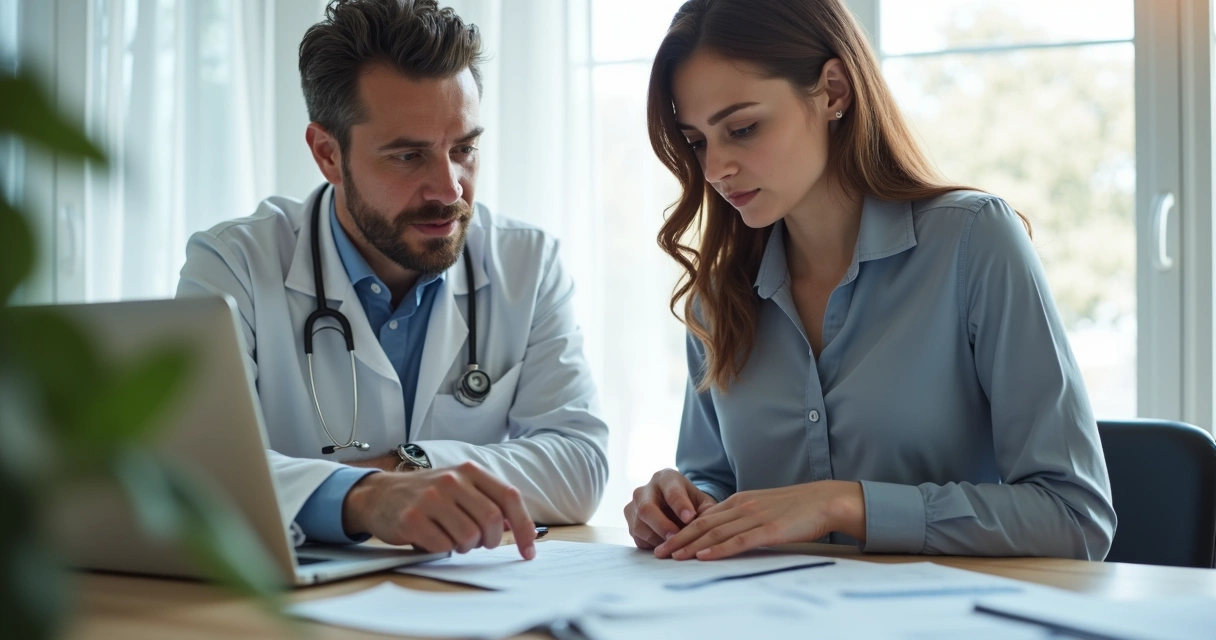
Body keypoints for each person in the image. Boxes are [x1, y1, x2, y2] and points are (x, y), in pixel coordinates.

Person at [624, 0, 1115, 561]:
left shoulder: (974, 242)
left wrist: (841, 505)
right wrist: (682, 505)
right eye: (697, 141)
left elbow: (1076, 517)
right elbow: (714, 479)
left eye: (742, 128)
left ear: (833, 90)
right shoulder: (718, 296)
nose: (714, 169)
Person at [177, 0, 608, 559]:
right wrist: (367, 499)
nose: (449, 189)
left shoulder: (527, 261)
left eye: (465, 149)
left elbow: (579, 464)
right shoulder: (233, 264)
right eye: (409, 156)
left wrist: (408, 468)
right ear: (328, 155)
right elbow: (195, 468)